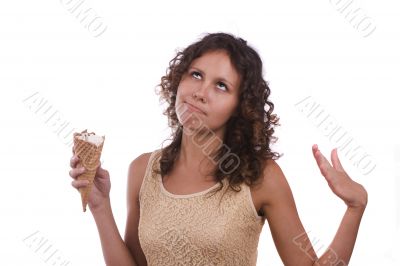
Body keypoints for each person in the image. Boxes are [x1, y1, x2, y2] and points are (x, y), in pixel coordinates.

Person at [69, 32, 368, 266]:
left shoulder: (262, 178)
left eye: (221, 85)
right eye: (196, 75)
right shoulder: (142, 170)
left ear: (241, 107)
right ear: (179, 79)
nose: (200, 92)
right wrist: (100, 206)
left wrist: (355, 207)